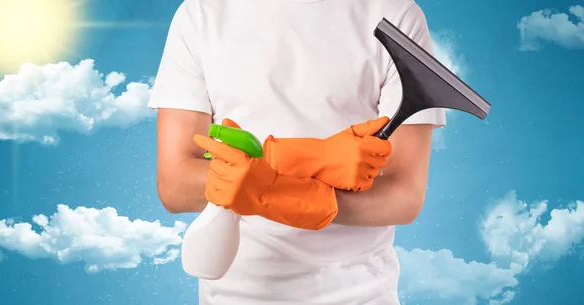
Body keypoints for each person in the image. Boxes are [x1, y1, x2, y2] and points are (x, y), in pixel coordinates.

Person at [148, 0, 446, 304]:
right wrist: (313, 159)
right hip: (234, 294)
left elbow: (404, 196)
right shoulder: (201, 12)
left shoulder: (395, 13)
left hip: (362, 295)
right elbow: (175, 184)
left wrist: (280, 191)